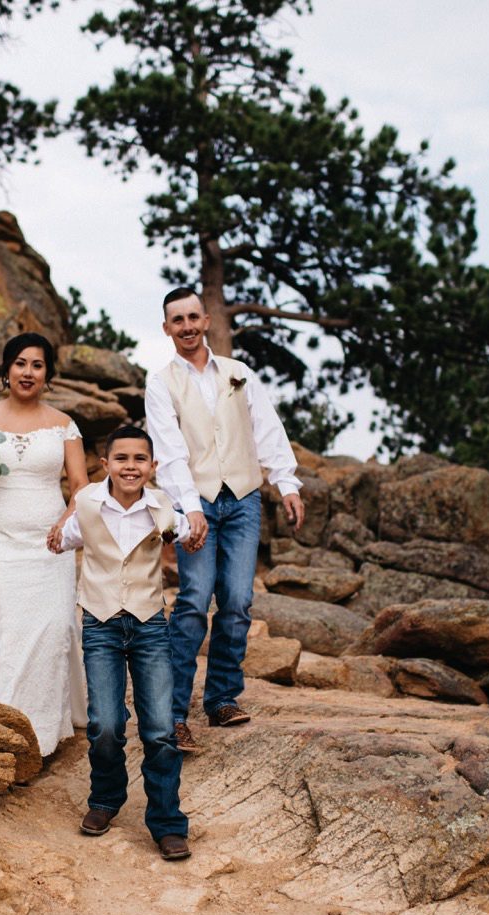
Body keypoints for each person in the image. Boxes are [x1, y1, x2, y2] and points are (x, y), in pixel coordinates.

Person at [144, 287, 306, 753]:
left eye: (194, 316)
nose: (188, 326)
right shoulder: (161, 383)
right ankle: (172, 714)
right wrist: (189, 507)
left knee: (236, 601)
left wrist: (287, 483)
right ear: (167, 328)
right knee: (194, 600)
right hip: (191, 503)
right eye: (178, 320)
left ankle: (221, 699)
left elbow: (267, 429)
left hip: (242, 500)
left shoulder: (238, 374)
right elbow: (169, 450)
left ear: (207, 319)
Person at [49, 425, 198, 860]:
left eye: (139, 460)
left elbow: (190, 532)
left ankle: (168, 823)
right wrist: (54, 540)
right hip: (100, 622)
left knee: (159, 729)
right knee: (106, 724)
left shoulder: (165, 507)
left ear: (152, 466)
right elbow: (66, 539)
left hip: (150, 623)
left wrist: (197, 529)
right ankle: (105, 799)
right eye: (122, 459)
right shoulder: (89, 504)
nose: (130, 467)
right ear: (106, 464)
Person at [0, 332, 89, 757]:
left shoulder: (63, 425)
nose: (28, 372)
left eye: (37, 365)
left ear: (47, 375)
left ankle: (41, 731)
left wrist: (65, 523)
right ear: (6, 369)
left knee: (54, 627)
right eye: (20, 363)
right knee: (11, 625)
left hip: (50, 543)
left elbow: (80, 488)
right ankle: (7, 722)